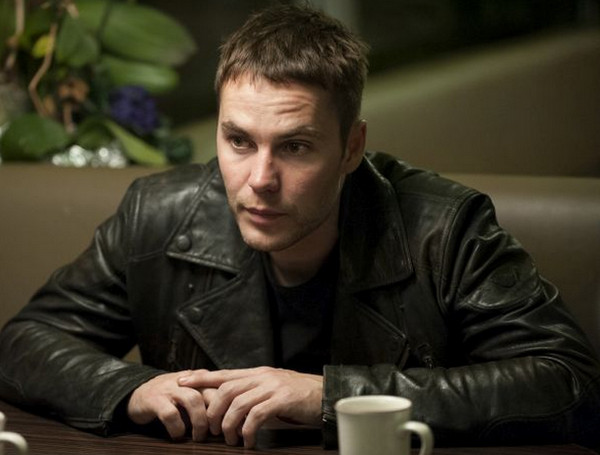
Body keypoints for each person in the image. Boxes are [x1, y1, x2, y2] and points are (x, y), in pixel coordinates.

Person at [1, 3, 599, 451]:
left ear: (351, 147)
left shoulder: (445, 229)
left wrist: (330, 396)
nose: (260, 179)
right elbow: (23, 343)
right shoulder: (157, 215)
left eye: (295, 147)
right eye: (239, 141)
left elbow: (568, 381)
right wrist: (130, 388)